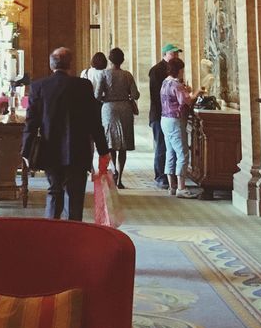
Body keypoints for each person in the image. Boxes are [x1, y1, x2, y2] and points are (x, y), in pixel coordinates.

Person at [22, 47, 110, 221]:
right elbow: (94, 121)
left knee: (54, 191)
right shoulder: (83, 86)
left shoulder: (39, 86)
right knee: (76, 197)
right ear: (70, 64)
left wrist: (26, 151)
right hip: (78, 150)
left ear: (51, 64)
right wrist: (103, 150)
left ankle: (51, 233)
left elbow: (31, 122)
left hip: (50, 149)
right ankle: (73, 237)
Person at [98, 47, 139, 188]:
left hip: (108, 109)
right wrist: (125, 95)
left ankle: (114, 169)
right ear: (122, 60)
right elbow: (136, 94)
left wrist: (107, 97)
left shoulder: (104, 74)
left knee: (111, 142)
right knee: (123, 144)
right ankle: (120, 178)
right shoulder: (127, 75)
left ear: (110, 60)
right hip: (125, 109)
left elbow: (97, 95)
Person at [160, 57, 198, 197]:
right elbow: (185, 101)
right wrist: (196, 94)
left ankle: (172, 186)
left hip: (164, 119)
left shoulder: (165, 82)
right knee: (182, 153)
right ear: (179, 70)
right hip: (175, 120)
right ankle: (181, 187)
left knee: (170, 152)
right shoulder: (176, 84)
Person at [149, 42, 181, 189]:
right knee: (162, 146)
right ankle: (160, 176)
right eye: (173, 54)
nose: (175, 56)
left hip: (169, 114)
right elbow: (156, 96)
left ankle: (171, 176)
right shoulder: (156, 71)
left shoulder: (174, 70)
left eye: (177, 54)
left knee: (170, 147)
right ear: (165, 55)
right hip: (159, 114)